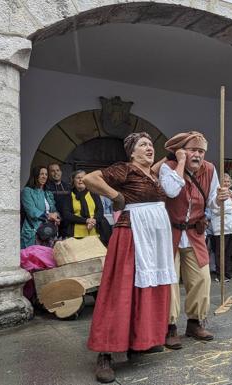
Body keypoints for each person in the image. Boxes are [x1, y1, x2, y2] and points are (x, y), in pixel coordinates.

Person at [84, 132, 178, 383]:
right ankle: (105, 353)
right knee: (120, 290)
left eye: (150, 144)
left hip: (154, 238)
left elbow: (166, 162)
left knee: (146, 288)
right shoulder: (125, 169)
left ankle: (140, 341)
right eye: (143, 145)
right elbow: (91, 178)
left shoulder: (153, 174)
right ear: (132, 152)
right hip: (132, 234)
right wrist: (116, 197)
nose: (149, 148)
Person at [154, 131, 229, 349]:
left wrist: (220, 199)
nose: (197, 155)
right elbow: (170, 190)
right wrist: (180, 162)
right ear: (181, 151)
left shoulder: (210, 169)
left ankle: (195, 322)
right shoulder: (168, 167)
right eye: (193, 150)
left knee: (202, 278)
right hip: (170, 232)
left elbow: (213, 203)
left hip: (195, 233)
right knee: (169, 281)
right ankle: (170, 327)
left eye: (201, 151)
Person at [60, 170, 112, 245]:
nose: (81, 180)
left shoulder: (94, 194)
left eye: (83, 177)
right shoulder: (68, 196)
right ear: (73, 181)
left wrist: (94, 220)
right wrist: (86, 220)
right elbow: (67, 215)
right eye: (78, 178)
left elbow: (100, 210)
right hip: (76, 234)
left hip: (94, 232)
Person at [209, 173, 232, 281]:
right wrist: (231, 208)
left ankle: (227, 272)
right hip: (220, 227)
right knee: (220, 252)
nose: (226, 183)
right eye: (224, 181)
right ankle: (219, 274)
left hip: (231, 226)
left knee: (228, 252)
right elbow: (215, 209)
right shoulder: (217, 193)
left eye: (228, 181)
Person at [21, 166, 61, 249]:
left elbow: (53, 209)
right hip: (34, 231)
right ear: (35, 175)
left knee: (47, 258)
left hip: (49, 232)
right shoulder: (27, 191)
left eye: (46, 174)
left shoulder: (47, 193)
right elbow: (32, 211)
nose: (44, 176)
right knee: (34, 259)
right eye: (41, 174)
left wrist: (56, 216)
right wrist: (49, 216)